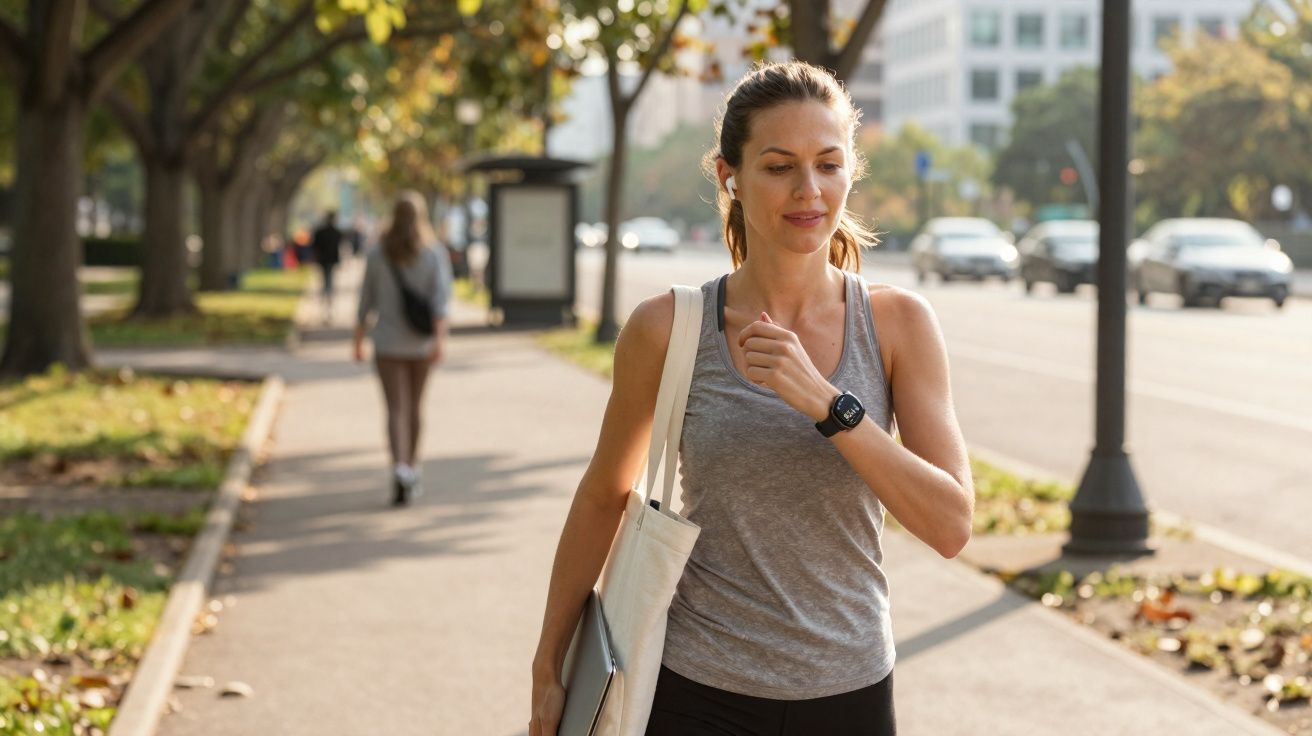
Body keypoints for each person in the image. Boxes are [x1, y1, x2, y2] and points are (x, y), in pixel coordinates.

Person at [529, 61, 975, 736]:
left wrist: (831, 407)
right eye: (779, 166)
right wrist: (549, 661)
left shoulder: (897, 325)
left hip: (850, 692)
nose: (809, 190)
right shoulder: (667, 328)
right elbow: (602, 497)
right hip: (697, 690)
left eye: (829, 164)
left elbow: (950, 524)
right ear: (728, 176)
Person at [353, 192, 453, 506]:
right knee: (415, 408)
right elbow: (441, 302)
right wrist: (439, 340)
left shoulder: (377, 254)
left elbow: (365, 302)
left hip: (386, 344)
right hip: (421, 345)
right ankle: (412, 467)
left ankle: (399, 468)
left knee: (395, 408)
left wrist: (357, 340)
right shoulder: (434, 253)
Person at [311, 211, 344, 323]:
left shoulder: (321, 232)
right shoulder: (336, 232)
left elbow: (315, 247)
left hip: (325, 261)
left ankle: (326, 306)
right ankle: (327, 306)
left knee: (326, 282)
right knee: (329, 282)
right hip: (328, 261)